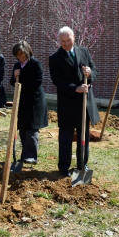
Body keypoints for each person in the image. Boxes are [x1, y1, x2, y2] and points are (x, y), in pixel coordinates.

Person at [49, 26, 100, 177]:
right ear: (59, 41)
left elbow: (94, 71)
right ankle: (63, 168)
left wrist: (90, 73)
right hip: (67, 104)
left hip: (84, 103)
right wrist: (75, 88)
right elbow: (57, 81)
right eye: (62, 41)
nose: (66, 44)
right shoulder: (55, 58)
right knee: (65, 137)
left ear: (74, 38)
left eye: (68, 40)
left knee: (83, 136)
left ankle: (82, 165)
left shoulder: (83, 52)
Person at [10, 40, 48, 165]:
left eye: (22, 54)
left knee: (32, 129)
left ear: (27, 52)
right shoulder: (17, 66)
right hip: (22, 102)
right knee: (22, 128)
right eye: (18, 55)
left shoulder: (35, 64)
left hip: (34, 102)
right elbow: (12, 82)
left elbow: (37, 82)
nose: (20, 57)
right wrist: (15, 77)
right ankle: (25, 155)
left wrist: (21, 80)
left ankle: (31, 156)